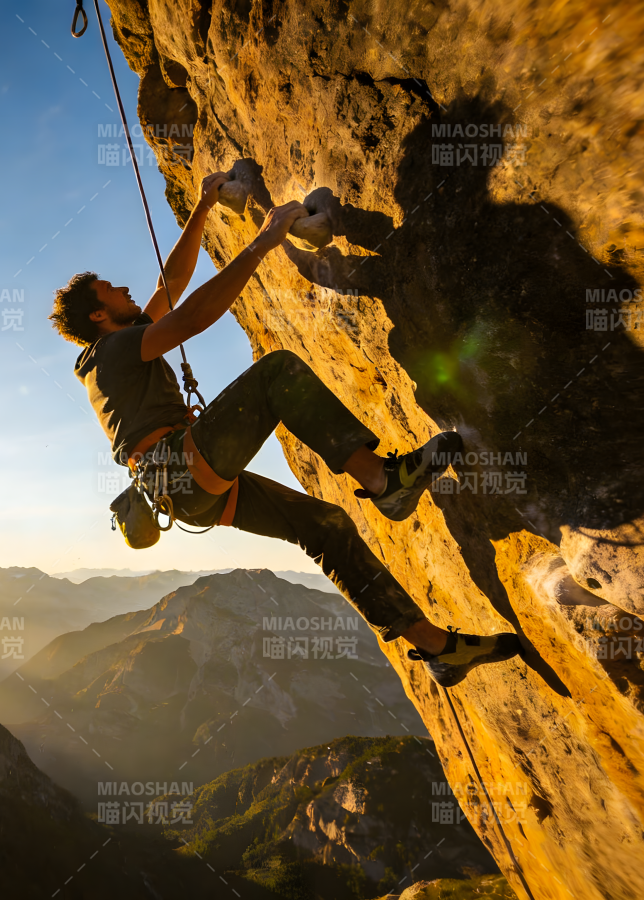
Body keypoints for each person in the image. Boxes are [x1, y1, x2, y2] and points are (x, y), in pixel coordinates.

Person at [49, 172, 520, 688]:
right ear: (100, 314)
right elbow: (189, 319)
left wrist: (202, 206)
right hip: (181, 469)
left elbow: (171, 287)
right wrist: (263, 242)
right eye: (111, 290)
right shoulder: (112, 350)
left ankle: (437, 649)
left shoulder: (114, 350)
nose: (124, 288)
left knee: (324, 526)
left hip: (184, 488)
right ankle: (383, 480)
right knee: (276, 374)